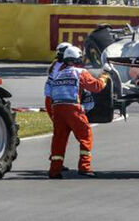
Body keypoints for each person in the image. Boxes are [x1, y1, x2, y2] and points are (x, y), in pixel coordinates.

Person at [47, 45, 109, 179]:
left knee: (59, 140)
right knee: (86, 136)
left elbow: (51, 94)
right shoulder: (80, 72)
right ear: (78, 58)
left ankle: (54, 170)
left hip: (57, 109)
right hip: (72, 109)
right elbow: (96, 87)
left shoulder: (58, 74)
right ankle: (84, 167)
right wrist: (105, 74)